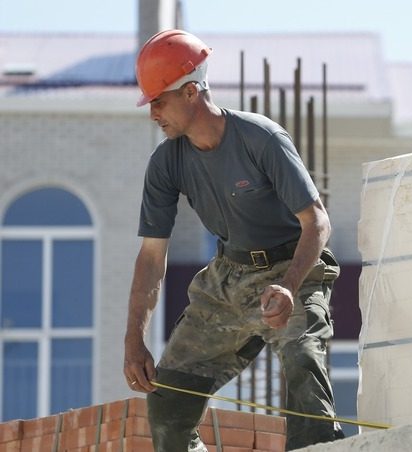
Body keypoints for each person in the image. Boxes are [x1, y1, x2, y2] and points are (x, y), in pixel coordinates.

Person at [122, 29, 343, 451]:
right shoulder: (166, 163)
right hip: (226, 281)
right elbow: (151, 257)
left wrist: (290, 286)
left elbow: (316, 221)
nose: (152, 113)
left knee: (302, 366)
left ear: (190, 92)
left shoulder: (261, 138)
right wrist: (134, 338)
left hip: (294, 269)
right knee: (168, 407)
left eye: (158, 101)